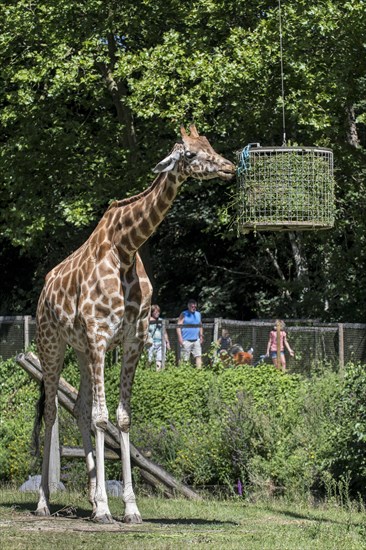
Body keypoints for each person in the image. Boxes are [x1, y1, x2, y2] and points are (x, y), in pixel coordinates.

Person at [177, 299, 203, 368]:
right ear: (188, 306)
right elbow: (178, 326)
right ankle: (183, 372)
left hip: (196, 339)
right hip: (186, 340)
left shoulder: (198, 314)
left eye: (194, 306)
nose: (193, 308)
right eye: (192, 306)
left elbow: (200, 325)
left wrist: (201, 336)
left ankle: (199, 372)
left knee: (198, 356)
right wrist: (180, 338)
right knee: (184, 358)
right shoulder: (184, 314)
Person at [147, 304, 170, 371]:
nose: (157, 313)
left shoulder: (161, 320)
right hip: (151, 342)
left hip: (161, 342)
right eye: (155, 312)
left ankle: (158, 373)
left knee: (159, 359)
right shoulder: (148, 320)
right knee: (150, 359)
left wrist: (167, 342)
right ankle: (148, 371)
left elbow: (165, 332)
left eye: (158, 312)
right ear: (152, 312)